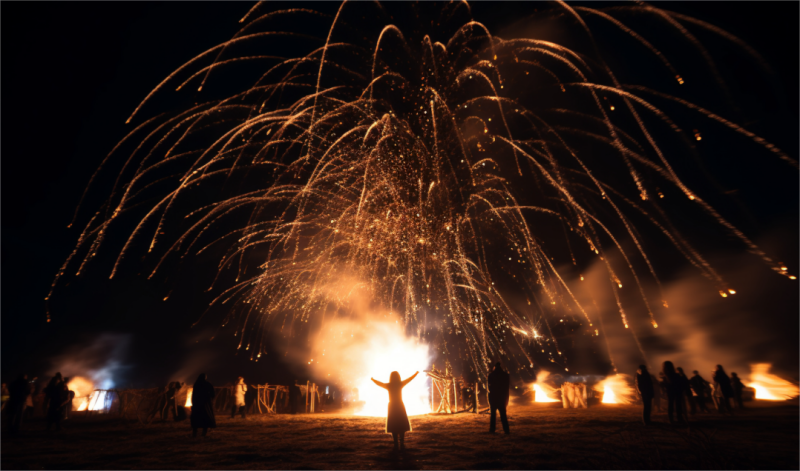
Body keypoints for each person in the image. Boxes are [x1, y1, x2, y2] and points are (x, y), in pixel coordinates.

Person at [371, 371, 419, 451]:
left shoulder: (389, 385)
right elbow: (409, 379)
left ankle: (396, 442)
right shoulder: (400, 384)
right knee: (401, 423)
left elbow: (379, 383)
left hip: (392, 406)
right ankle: (402, 442)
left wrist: (373, 380)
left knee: (393, 424)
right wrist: (415, 374)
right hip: (399, 405)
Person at [488, 362, 510, 434]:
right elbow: (507, 388)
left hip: (494, 398)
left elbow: (490, 387)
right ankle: (506, 430)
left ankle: (492, 429)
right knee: (503, 415)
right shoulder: (505, 375)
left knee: (493, 415)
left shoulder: (491, 375)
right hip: (501, 398)